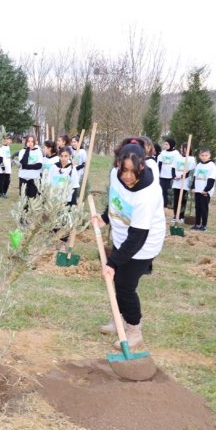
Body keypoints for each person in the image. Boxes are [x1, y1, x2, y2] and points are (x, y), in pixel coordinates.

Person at [93, 142, 165, 349]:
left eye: (134, 171)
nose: (128, 176)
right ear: (118, 165)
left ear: (142, 166)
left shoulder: (147, 195)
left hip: (143, 244)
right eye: (124, 170)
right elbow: (116, 199)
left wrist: (112, 262)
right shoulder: (115, 175)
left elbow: (137, 237)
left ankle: (134, 329)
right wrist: (105, 218)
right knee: (118, 282)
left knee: (125, 286)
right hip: (122, 237)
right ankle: (119, 319)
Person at [191, 148, 216, 231]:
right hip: (198, 190)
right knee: (197, 207)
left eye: (206, 155)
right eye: (202, 155)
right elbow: (195, 177)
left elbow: (211, 179)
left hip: (205, 191)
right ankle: (197, 224)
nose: (204, 157)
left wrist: (206, 190)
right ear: (199, 156)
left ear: (209, 156)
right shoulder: (198, 165)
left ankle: (204, 225)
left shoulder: (212, 166)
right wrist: (193, 187)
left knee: (204, 208)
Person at [171, 142, 195, 223]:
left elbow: (190, 172)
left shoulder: (191, 159)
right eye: (181, 148)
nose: (181, 149)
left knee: (183, 200)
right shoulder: (177, 158)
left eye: (182, 148)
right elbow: (173, 168)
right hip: (176, 183)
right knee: (176, 200)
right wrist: (174, 176)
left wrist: (181, 177)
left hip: (185, 183)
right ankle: (175, 216)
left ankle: (181, 216)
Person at [16, 134, 43, 199]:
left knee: (32, 197)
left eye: (32, 141)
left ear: (34, 142)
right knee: (23, 197)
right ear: (26, 142)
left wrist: (26, 167)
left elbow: (39, 166)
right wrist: (27, 149)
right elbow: (23, 163)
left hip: (34, 177)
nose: (30, 143)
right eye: (28, 141)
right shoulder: (22, 151)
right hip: (23, 177)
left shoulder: (38, 151)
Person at [158, 138, 179, 208]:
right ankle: (163, 204)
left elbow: (176, 165)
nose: (165, 146)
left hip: (170, 176)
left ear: (171, 145)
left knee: (169, 192)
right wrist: (158, 173)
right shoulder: (163, 153)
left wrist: (174, 175)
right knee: (162, 191)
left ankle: (169, 205)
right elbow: (160, 163)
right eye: (164, 144)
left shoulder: (176, 153)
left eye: (167, 144)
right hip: (162, 175)